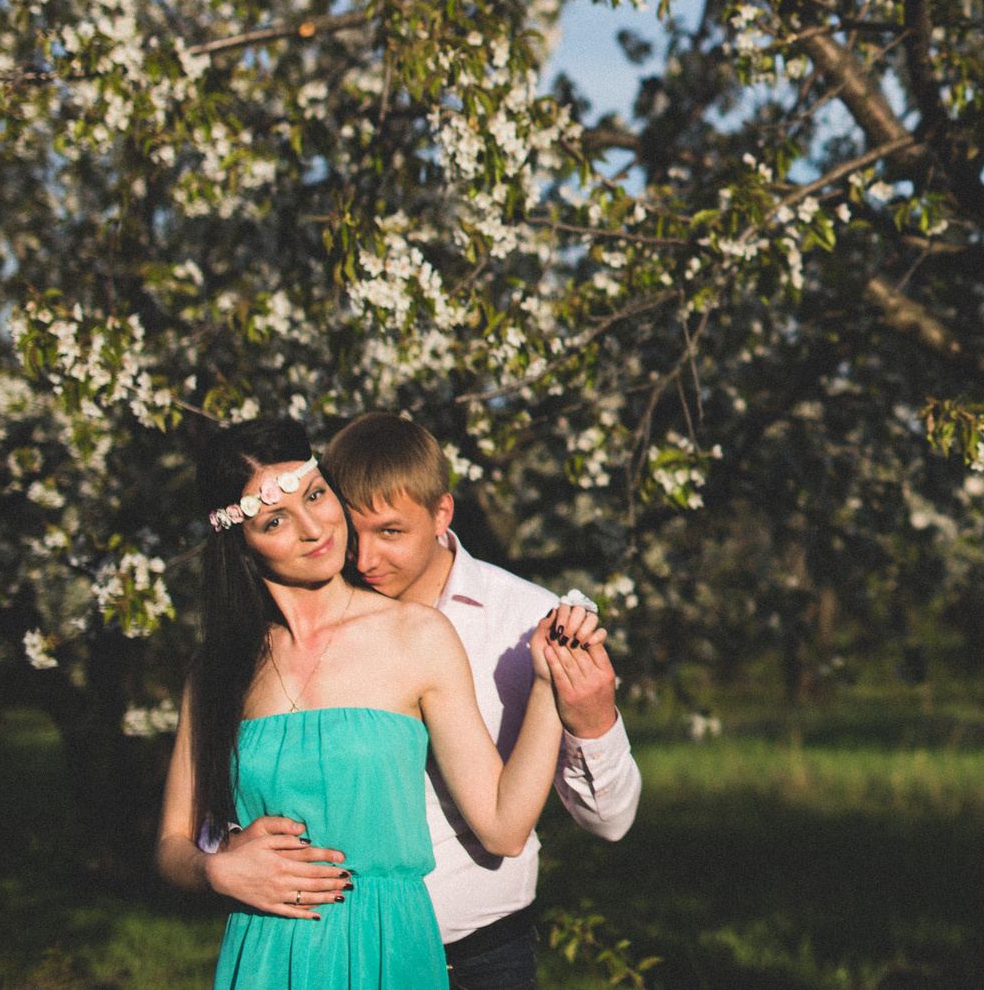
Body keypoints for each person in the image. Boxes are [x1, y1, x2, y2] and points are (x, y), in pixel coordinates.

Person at [156, 419, 572, 989]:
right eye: (275, 520)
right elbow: (171, 845)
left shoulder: (418, 635)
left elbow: (503, 827)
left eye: (317, 496)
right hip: (266, 956)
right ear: (242, 544)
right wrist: (215, 869)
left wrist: (550, 687)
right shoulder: (218, 669)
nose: (312, 528)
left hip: (389, 949)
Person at [321, 413, 641, 990]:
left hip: (482, 960)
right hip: (343, 953)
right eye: (352, 531)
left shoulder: (523, 621)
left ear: (442, 513)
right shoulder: (317, 622)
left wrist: (594, 722)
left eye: (391, 532)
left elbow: (611, 822)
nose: (365, 559)